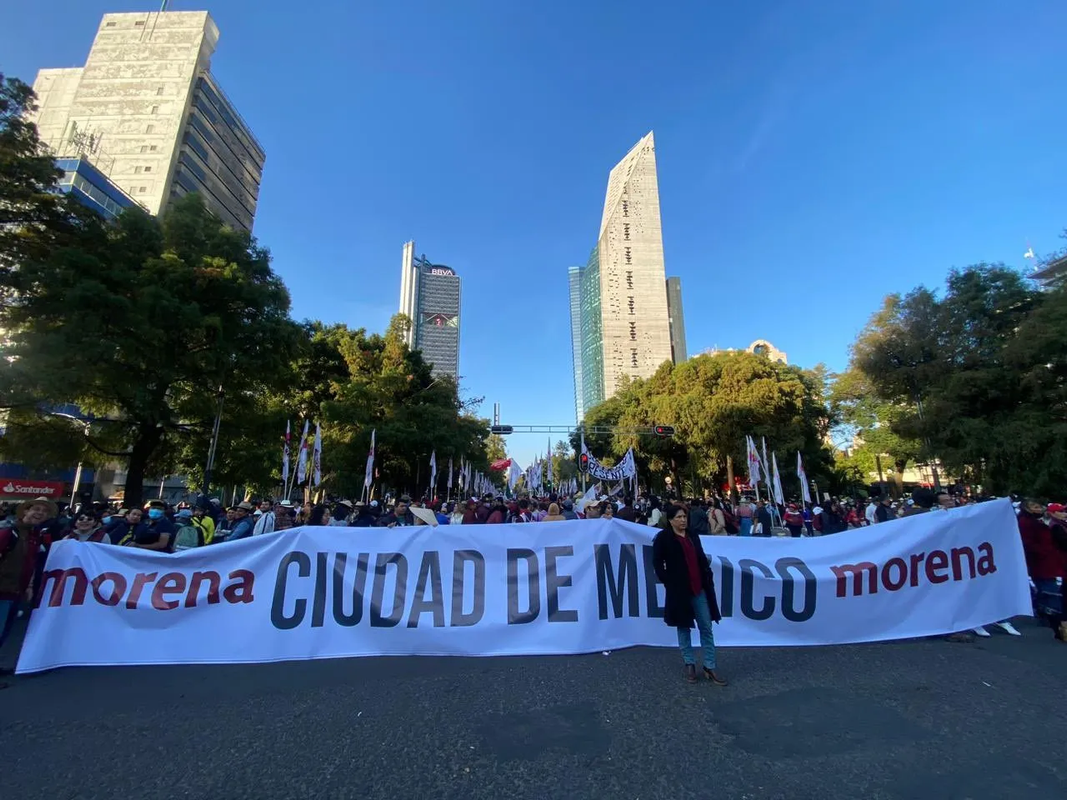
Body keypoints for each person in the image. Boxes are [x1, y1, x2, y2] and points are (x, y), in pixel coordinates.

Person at [651, 505, 727, 686]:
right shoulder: (663, 538)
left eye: (684, 516)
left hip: (699, 587)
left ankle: (710, 665)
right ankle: (689, 662)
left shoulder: (692, 535)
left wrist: (706, 573)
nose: (683, 520)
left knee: (706, 625)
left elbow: (700, 557)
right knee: (683, 626)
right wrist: (668, 581)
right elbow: (657, 562)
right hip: (679, 589)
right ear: (670, 520)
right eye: (678, 517)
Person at [0, 497, 59, 672]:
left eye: (44, 511)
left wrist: (29, 586)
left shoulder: (34, 536)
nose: (39, 513)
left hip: (15, 590)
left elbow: (31, 563)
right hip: (2, 589)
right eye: (36, 509)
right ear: (26, 511)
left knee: (4, 631)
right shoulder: (8, 533)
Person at [1019, 499, 1066, 641]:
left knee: (1053, 593)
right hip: (1042, 563)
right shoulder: (1027, 523)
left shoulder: (1040, 522)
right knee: (1051, 594)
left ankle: (1055, 622)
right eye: (1035, 506)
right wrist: (1045, 551)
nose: (1039, 509)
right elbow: (1029, 543)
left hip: (1050, 562)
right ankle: (1059, 626)